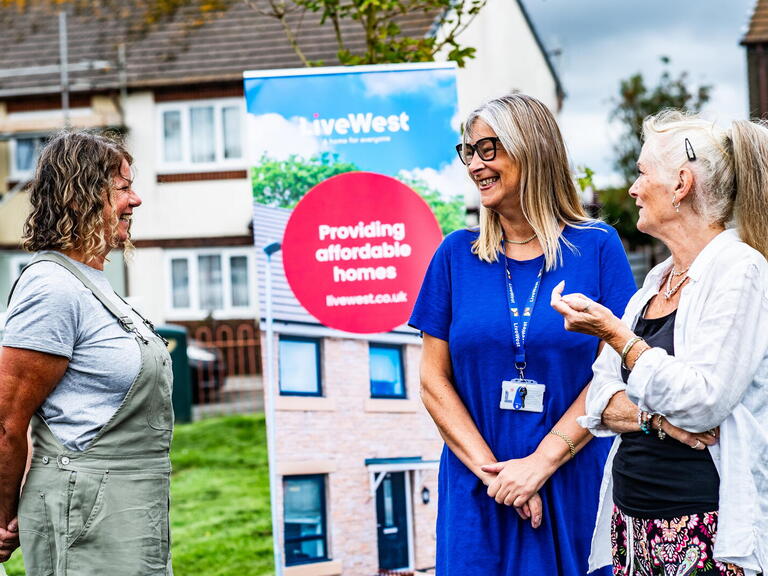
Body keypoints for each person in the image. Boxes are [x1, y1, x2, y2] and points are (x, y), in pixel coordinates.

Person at [408, 94, 637, 575]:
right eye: (468, 152)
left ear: (530, 148)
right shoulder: (455, 255)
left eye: (487, 149)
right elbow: (432, 382)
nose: (475, 164)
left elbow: (614, 374)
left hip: (574, 479)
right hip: (478, 490)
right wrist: (499, 478)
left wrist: (538, 466)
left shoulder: (596, 247)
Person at [551, 110, 768, 576]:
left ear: (681, 184)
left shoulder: (741, 270)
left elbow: (704, 400)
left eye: (642, 173)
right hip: (632, 525)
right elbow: (600, 402)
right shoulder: (655, 280)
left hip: (704, 527)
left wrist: (616, 335)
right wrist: (660, 423)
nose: (632, 189)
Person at [0, 131, 174, 575]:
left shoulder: (94, 284)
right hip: (86, 510)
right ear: (79, 198)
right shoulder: (52, 287)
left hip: (129, 508)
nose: (135, 201)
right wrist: (1, 518)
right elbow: (7, 421)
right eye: (122, 189)